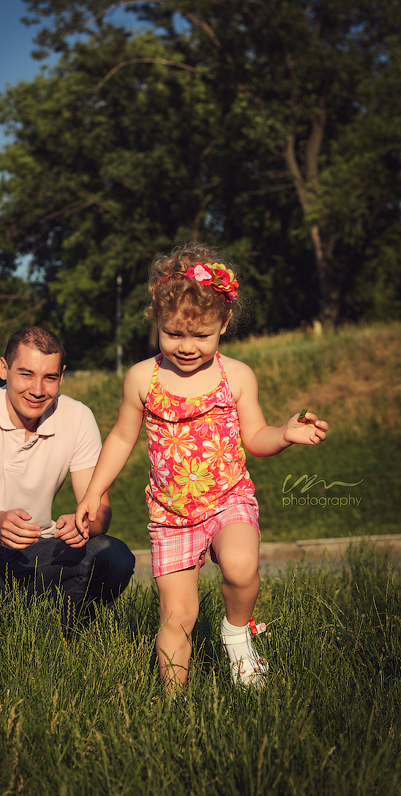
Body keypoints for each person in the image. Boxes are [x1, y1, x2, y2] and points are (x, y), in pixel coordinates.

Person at [76, 243, 328, 691]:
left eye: (201, 336)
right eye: (173, 334)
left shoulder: (237, 376)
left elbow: (255, 437)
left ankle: (237, 633)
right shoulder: (142, 378)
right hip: (171, 515)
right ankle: (172, 705)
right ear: (157, 320)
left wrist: (284, 434)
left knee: (240, 565)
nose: (187, 347)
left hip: (228, 499)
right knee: (177, 616)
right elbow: (121, 437)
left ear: (224, 324)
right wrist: (93, 491)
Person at [0, 327, 135, 618]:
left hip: (42, 553)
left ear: (61, 376)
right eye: (26, 374)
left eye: (49, 377)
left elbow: (101, 510)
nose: (37, 390)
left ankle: (56, 628)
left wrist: (83, 525)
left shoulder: (78, 417)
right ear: (4, 369)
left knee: (114, 555)